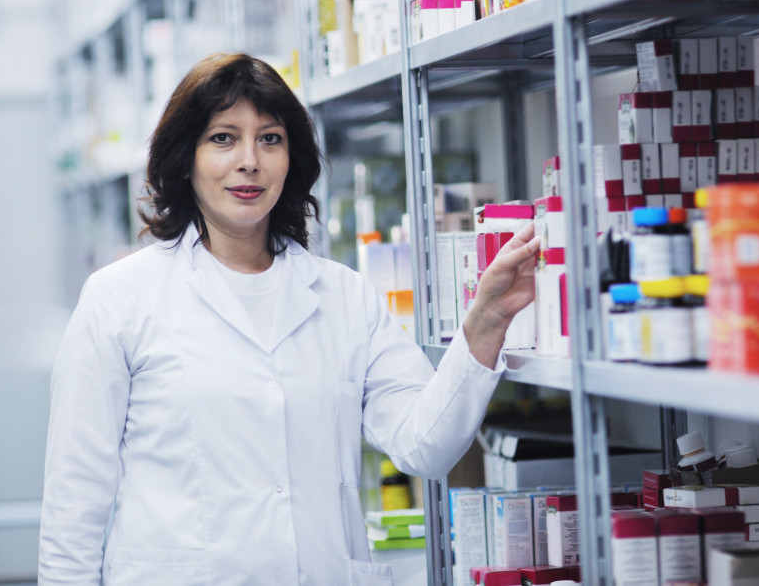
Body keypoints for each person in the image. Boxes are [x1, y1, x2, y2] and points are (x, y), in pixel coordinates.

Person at [38, 53, 540, 585]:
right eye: (223, 138)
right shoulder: (121, 297)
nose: (249, 160)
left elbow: (426, 446)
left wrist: (485, 324)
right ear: (185, 158)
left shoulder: (343, 296)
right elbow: (75, 500)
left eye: (270, 138)